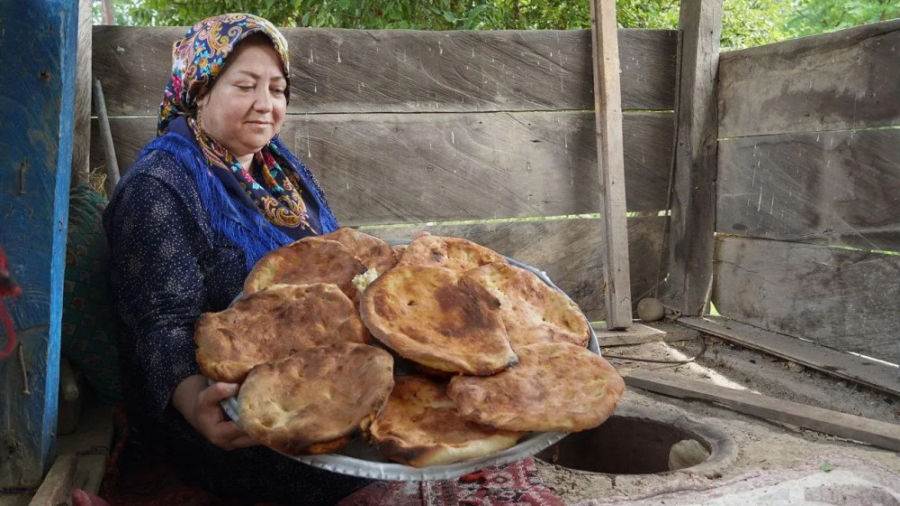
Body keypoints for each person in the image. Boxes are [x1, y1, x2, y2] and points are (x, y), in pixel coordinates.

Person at [104, 13, 372, 505]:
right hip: (213, 404)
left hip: (299, 372)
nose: (266, 105)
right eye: (245, 86)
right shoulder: (158, 188)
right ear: (200, 91)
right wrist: (196, 408)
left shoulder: (277, 168)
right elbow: (160, 325)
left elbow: (332, 258)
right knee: (354, 458)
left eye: (277, 88)